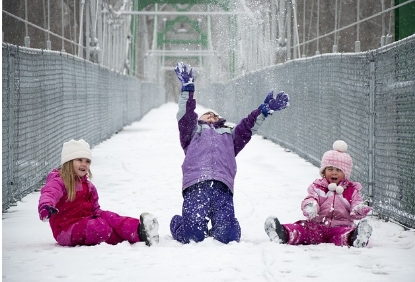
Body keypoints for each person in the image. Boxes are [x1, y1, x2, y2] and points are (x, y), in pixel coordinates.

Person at [170, 62, 290, 244]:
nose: (211, 116)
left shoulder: (229, 137)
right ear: (199, 120)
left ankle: (224, 226)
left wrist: (263, 111)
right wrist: (188, 88)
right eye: (207, 115)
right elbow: (186, 113)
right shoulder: (191, 133)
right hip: (196, 185)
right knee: (193, 236)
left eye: (215, 116)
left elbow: (247, 127)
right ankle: (179, 223)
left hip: (222, 187)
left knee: (228, 237)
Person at [38, 139, 159, 247]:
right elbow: (49, 193)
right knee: (100, 227)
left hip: (85, 222)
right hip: (66, 230)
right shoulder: (59, 181)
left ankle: (139, 230)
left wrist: (108, 217)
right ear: (69, 162)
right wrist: (45, 207)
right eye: (79, 160)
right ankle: (129, 237)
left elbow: (95, 210)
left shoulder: (89, 187)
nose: (84, 164)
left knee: (111, 218)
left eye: (87, 161)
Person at [264, 140, 373, 248]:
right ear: (324, 172)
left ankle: (356, 238)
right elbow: (311, 198)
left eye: (338, 170)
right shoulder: (318, 187)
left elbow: (356, 206)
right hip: (316, 226)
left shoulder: (352, 190)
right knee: (302, 230)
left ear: (345, 174)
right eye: (330, 169)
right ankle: (282, 233)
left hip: (340, 226)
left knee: (343, 235)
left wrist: (359, 209)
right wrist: (310, 206)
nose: (334, 172)